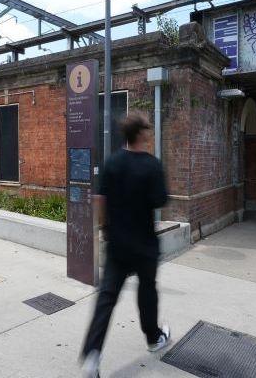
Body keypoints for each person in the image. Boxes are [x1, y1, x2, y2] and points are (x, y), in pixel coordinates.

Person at [80, 112, 170, 378]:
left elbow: (100, 200)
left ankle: (92, 357)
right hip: (144, 245)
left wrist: (102, 231)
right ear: (141, 134)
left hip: (117, 243)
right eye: (147, 129)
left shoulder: (112, 162)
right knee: (147, 292)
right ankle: (153, 338)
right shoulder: (152, 165)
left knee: (106, 299)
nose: (149, 133)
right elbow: (160, 200)